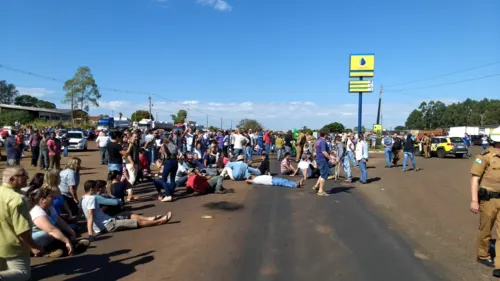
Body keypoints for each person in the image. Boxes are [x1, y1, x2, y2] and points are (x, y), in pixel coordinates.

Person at [81, 180, 172, 240]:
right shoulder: (92, 199)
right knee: (134, 222)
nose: (97, 190)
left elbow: (81, 213)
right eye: (95, 188)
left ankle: (150, 218)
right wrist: (90, 234)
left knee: (126, 213)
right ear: (91, 189)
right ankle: (160, 221)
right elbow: (90, 216)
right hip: (108, 225)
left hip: (107, 220)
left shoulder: (83, 199)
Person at [0, 167, 42, 281]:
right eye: (23, 175)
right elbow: (22, 229)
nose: (27, 177)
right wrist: (33, 246)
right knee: (22, 273)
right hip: (13, 246)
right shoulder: (16, 199)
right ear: (12, 179)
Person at [470, 127, 500, 277]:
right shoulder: (484, 157)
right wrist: (474, 201)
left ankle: (499, 263)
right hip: (488, 200)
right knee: (486, 229)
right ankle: (483, 255)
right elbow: (475, 180)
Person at [28, 187, 90, 258]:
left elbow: (59, 220)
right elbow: (51, 230)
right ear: (43, 200)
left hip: (48, 236)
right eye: (50, 196)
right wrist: (66, 241)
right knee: (53, 233)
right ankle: (47, 251)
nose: (53, 198)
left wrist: (71, 232)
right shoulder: (37, 212)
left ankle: (66, 247)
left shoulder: (50, 207)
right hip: (36, 240)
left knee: (72, 228)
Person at [312, 131, 336, 196]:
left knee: (322, 173)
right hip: (322, 160)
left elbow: (316, 149)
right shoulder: (323, 141)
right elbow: (324, 152)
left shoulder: (318, 140)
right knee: (324, 175)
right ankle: (320, 191)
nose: (328, 135)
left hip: (319, 159)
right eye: (327, 134)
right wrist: (331, 159)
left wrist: (331, 152)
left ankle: (316, 186)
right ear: (325, 134)